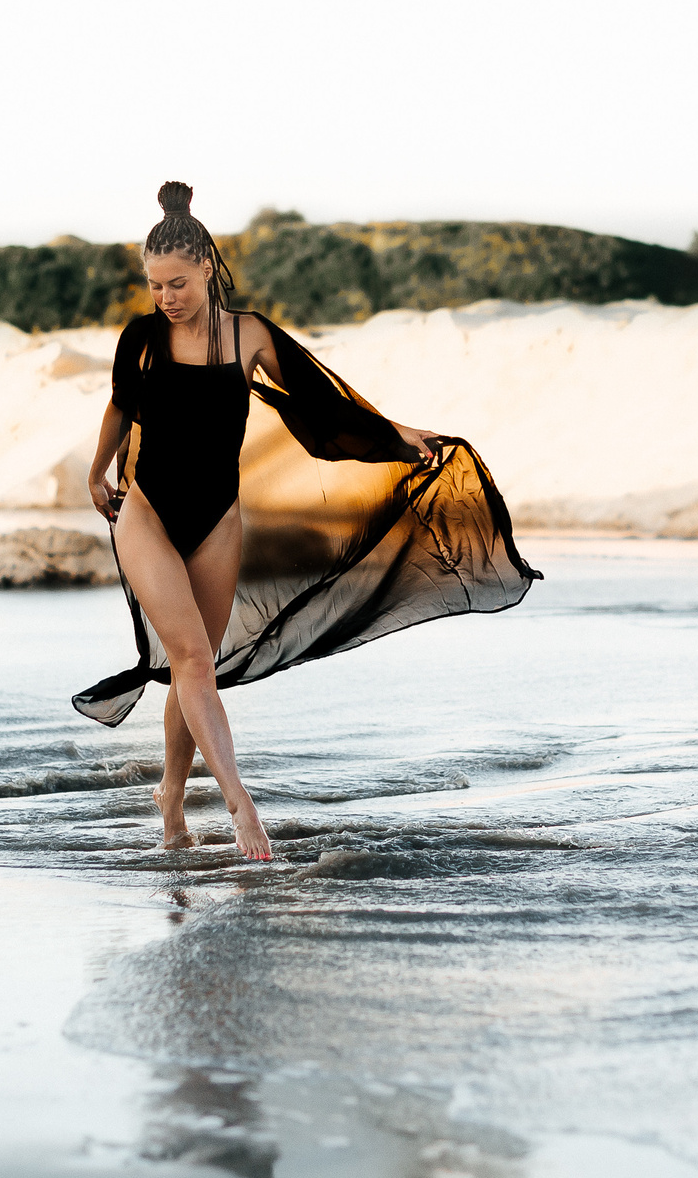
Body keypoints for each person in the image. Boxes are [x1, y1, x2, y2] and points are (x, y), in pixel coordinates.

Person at [83, 181, 539, 860]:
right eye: (154, 286)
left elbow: (323, 405)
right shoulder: (142, 339)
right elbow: (120, 410)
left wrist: (394, 434)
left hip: (216, 519)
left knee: (195, 665)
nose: (165, 297)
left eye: (176, 283)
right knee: (190, 659)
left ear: (206, 266)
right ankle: (241, 805)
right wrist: (98, 472)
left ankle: (171, 797)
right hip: (147, 514)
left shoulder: (250, 336)